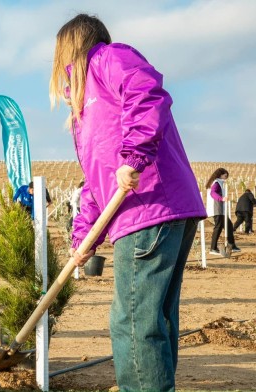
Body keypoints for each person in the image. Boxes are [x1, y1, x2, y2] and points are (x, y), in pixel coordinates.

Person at [49, 14, 207, 392]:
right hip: (159, 209)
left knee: (133, 319)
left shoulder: (108, 60)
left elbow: (147, 92)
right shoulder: (83, 109)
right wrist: (83, 237)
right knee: (157, 317)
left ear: (70, 48)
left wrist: (133, 156)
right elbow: (95, 181)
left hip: (148, 209)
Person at [206, 168, 240, 255]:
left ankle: (232, 245)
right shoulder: (216, 183)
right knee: (218, 227)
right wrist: (221, 198)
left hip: (220, 210)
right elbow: (212, 193)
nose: (226, 178)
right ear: (220, 174)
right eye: (225, 176)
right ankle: (213, 248)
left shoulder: (218, 183)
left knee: (229, 225)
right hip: (217, 209)